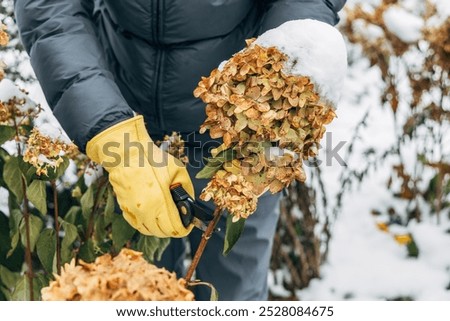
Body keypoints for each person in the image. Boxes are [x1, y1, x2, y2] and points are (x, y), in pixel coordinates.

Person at [14, 0, 346, 300]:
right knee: (138, 286)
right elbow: (50, 10)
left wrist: (275, 82)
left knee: (235, 290)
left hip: (239, 130)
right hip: (125, 109)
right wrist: (112, 133)